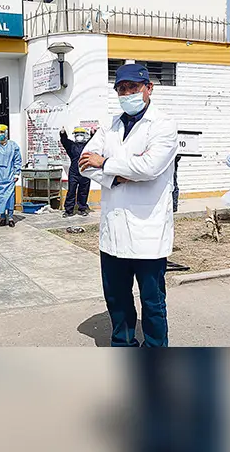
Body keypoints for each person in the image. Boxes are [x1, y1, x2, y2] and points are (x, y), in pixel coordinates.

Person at [78, 65, 178, 347]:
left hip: (148, 230)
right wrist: (120, 176)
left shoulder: (163, 124)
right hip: (114, 231)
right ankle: (122, 346)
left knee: (153, 300)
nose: (127, 93)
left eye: (133, 87)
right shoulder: (110, 124)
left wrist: (107, 164)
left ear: (148, 88)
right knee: (117, 299)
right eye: (121, 89)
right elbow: (85, 163)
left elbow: (151, 167)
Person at [0, 124, 23, 227]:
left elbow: (17, 160)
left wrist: (16, 174)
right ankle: (2, 216)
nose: (0, 135)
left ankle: (10, 217)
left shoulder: (13, 146)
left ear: (6, 133)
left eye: (2, 132)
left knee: (10, 197)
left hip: (9, 175)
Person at [60, 126, 94, 217]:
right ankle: (68, 210)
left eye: (81, 134)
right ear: (74, 136)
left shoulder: (88, 145)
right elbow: (64, 141)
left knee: (84, 191)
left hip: (85, 171)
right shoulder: (71, 145)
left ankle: (82, 208)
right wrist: (63, 133)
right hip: (74, 172)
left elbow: (94, 141)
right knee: (71, 191)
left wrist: (93, 133)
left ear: (84, 135)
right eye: (77, 134)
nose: (79, 136)